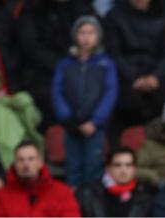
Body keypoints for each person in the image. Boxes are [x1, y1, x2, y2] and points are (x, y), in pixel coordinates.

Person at [52, 16, 118, 186]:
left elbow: (110, 93)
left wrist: (96, 121)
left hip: (95, 127)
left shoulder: (105, 64)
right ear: (75, 36)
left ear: (98, 36)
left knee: (92, 167)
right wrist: (68, 118)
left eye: (91, 32)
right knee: (73, 167)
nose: (87, 37)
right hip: (71, 126)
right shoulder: (65, 64)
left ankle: (91, 206)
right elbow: (57, 91)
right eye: (82, 32)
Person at [103, 0, 165, 129]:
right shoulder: (114, 16)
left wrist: (155, 76)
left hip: (157, 72)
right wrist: (133, 77)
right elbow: (114, 53)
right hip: (127, 74)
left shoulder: (164, 15)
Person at [17, 0, 95, 125]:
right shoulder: (32, 10)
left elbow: (95, 38)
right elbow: (33, 48)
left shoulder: (83, 7)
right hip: (44, 72)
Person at [75, 147, 154, 218]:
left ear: (135, 168)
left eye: (128, 165)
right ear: (108, 168)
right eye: (117, 165)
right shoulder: (88, 193)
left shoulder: (146, 195)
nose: (123, 170)